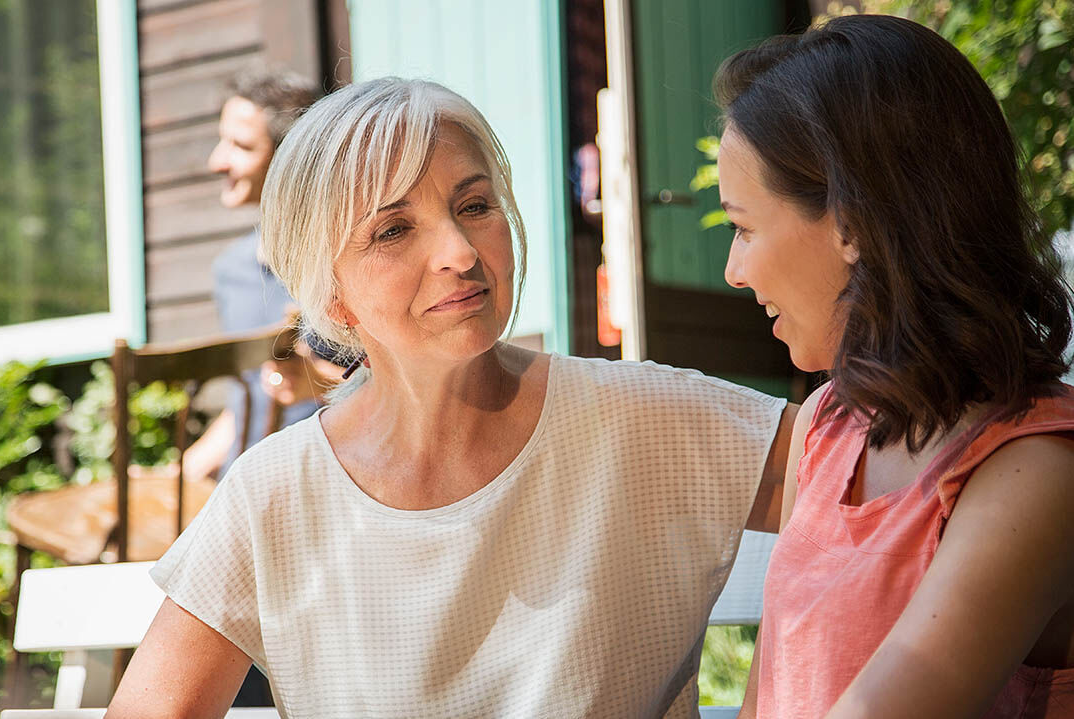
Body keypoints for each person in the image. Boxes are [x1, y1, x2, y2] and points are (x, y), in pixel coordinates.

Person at [108, 77, 796, 718]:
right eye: (393, 229)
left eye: (473, 206)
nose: (461, 252)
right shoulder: (274, 494)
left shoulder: (643, 420)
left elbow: (892, 493)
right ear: (331, 294)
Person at [715, 15, 1074, 719]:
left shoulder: (1035, 468)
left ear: (851, 224)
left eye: (744, 225)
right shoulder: (827, 426)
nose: (732, 270)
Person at [181, 68, 339, 485]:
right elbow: (251, 399)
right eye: (222, 140)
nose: (217, 161)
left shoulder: (345, 263)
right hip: (243, 490)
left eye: (241, 146)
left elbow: (403, 389)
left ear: (290, 159)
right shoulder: (231, 271)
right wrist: (182, 473)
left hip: (325, 487)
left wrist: (319, 384)